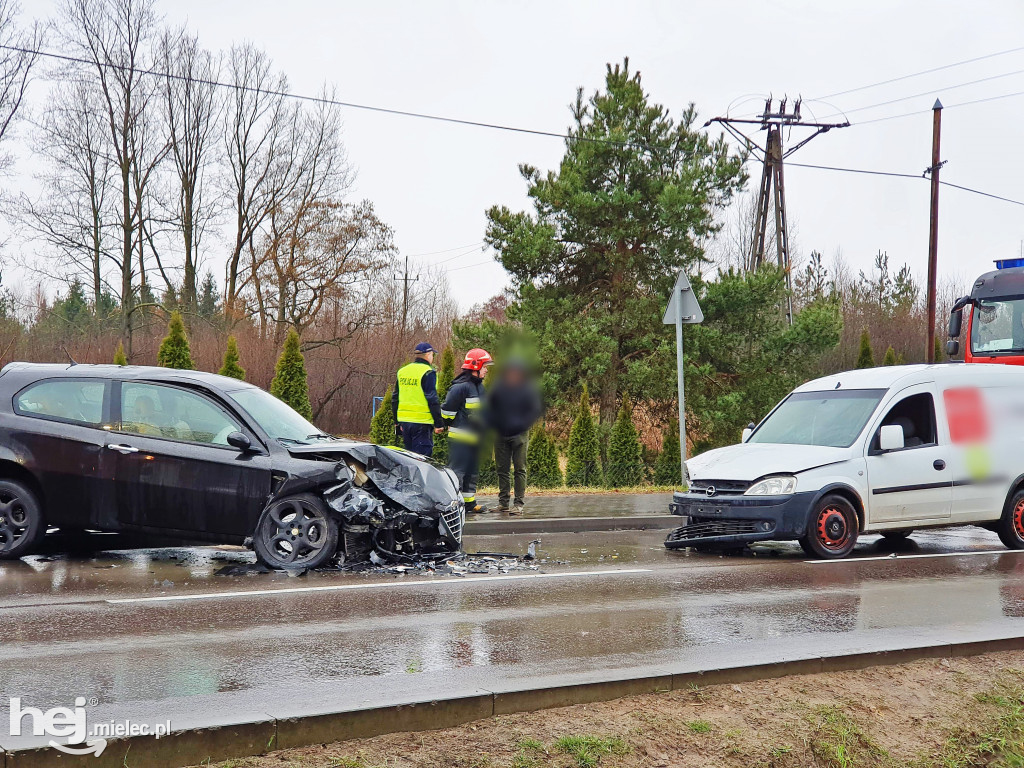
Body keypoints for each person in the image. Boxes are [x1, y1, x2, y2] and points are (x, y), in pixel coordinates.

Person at [487, 359, 543, 514]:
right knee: (502, 469)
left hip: (519, 435)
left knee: (520, 469)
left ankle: (518, 504)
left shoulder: (527, 389)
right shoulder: (498, 387)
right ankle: (503, 503)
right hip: (500, 434)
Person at [442, 348, 492, 513]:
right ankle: (453, 505)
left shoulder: (479, 387)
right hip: (461, 439)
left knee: (472, 472)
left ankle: (469, 504)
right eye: (484, 366)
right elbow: (447, 411)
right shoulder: (460, 387)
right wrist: (449, 422)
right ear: (475, 366)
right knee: (458, 472)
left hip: (476, 440)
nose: (486, 370)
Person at [391, 342, 445, 457]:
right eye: (432, 355)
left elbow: (395, 398)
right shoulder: (428, 372)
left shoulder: (402, 371)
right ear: (429, 354)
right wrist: (439, 423)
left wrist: (396, 421)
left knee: (409, 459)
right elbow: (432, 398)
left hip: (405, 422)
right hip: (422, 423)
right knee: (422, 460)